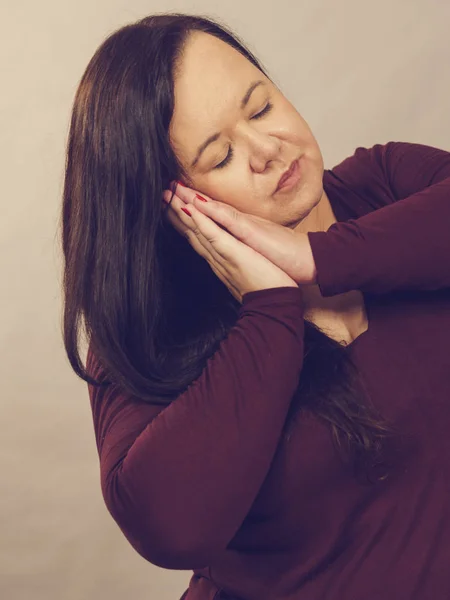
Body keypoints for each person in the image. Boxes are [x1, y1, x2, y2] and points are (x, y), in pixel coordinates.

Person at [60, 12, 450, 600]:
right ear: (170, 206)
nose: (268, 149)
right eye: (219, 157)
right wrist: (270, 306)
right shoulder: (147, 337)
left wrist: (316, 256)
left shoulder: (389, 185)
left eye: (261, 107)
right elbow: (167, 528)